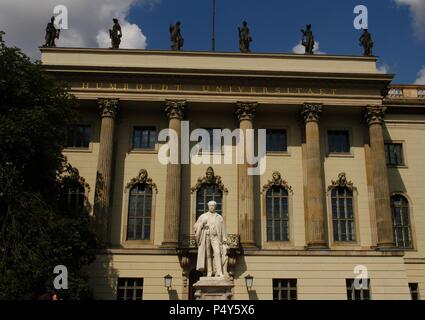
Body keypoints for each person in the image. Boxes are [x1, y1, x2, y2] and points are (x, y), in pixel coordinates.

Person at [194, 201, 228, 277]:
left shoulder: (219, 217)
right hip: (206, 236)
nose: (211, 207)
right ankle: (209, 271)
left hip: (215, 236)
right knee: (208, 254)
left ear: (215, 207)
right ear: (208, 207)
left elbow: (223, 229)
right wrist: (202, 224)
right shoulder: (203, 216)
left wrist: (224, 239)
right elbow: (195, 226)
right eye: (210, 206)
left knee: (217, 252)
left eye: (213, 206)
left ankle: (219, 272)